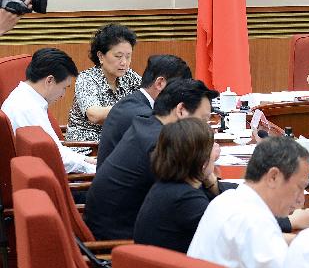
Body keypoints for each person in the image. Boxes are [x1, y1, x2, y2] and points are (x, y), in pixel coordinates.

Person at [188, 136, 309, 268]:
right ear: (273, 176)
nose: (301, 199)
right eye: (299, 187)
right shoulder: (254, 221)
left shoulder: (226, 201)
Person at [85, 78, 218, 240]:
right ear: (181, 110)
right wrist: (209, 175)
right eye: (203, 120)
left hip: (120, 228)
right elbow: (195, 202)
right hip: (121, 242)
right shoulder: (161, 144)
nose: (207, 128)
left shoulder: (147, 125)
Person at [133, 118, 222, 253]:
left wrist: (209, 179)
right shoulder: (187, 200)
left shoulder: (166, 186)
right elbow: (226, 241)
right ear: (201, 159)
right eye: (212, 148)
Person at [1, 47, 95, 173]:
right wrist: (95, 169)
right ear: (49, 80)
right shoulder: (27, 109)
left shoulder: (26, 98)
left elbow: (56, 150)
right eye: (64, 88)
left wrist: (87, 160)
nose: (62, 95)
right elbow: (54, 159)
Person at [97, 54, 192, 167]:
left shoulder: (135, 102)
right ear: (160, 83)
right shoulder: (140, 115)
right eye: (180, 89)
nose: (182, 97)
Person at [66, 23, 141, 146]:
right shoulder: (87, 79)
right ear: (101, 56)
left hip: (118, 144)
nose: (124, 62)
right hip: (87, 147)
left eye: (128, 56)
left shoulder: (129, 76)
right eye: (118, 56)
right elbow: (94, 115)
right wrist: (131, 108)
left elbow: (149, 95)